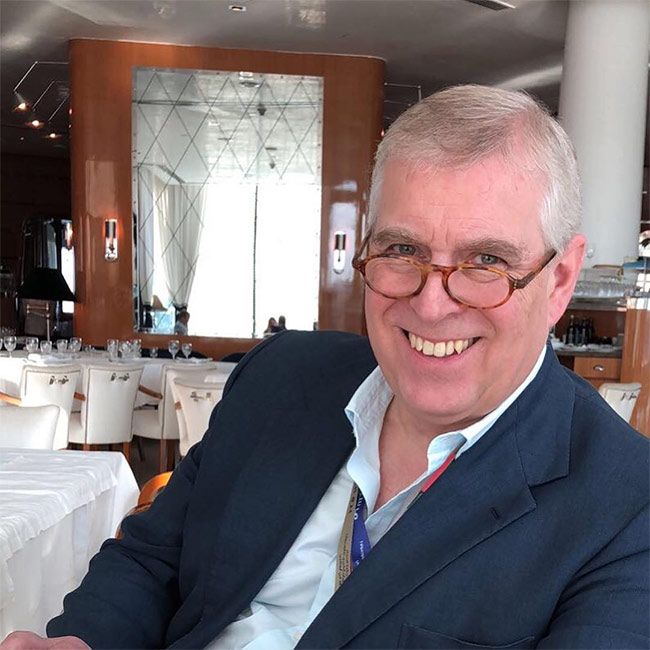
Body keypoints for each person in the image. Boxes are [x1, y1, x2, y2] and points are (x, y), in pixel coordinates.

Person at [5, 85, 648, 650]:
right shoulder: (281, 376)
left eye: (485, 261)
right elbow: (154, 560)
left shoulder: (625, 507)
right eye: (402, 249)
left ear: (561, 278)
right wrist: (82, 642)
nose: (430, 303)